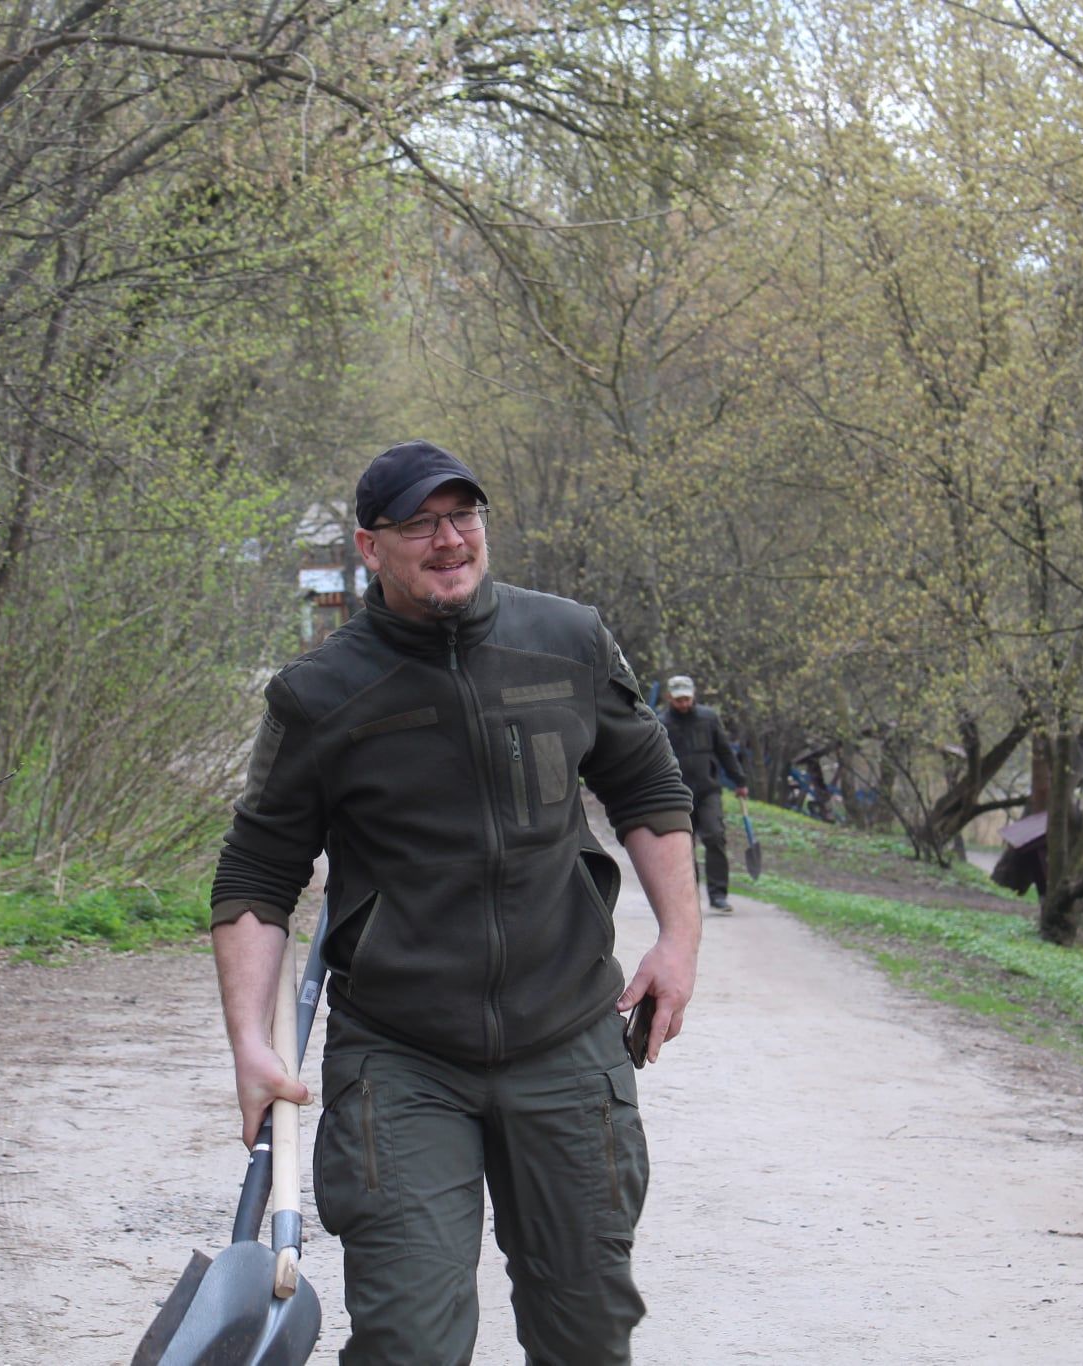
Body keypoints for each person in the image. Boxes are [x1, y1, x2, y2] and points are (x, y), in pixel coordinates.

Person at [208, 439, 700, 1365]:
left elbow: (649, 790)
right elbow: (256, 876)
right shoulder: (320, 694)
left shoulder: (567, 641)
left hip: (567, 1040)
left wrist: (679, 941)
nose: (448, 540)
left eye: (463, 517)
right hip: (401, 1059)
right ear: (370, 546)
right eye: (419, 524)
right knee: (409, 1344)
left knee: (589, 1334)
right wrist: (250, 1044)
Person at [657, 674, 748, 911]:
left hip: (708, 789)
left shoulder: (709, 718)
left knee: (715, 836)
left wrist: (739, 780)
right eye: (679, 700)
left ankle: (718, 895)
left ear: (693, 695)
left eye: (687, 698)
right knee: (683, 845)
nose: (684, 704)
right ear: (669, 698)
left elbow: (725, 751)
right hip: (677, 793)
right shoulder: (660, 723)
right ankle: (690, 897)